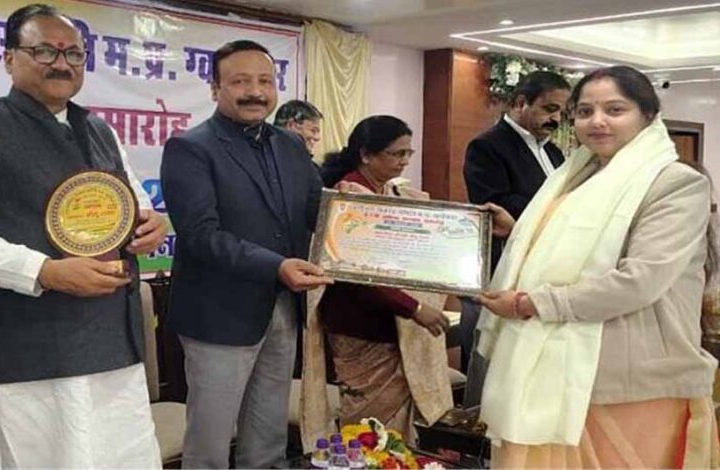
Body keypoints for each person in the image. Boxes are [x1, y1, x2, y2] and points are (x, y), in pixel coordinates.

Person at [0, 4, 166, 468]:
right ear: (9, 58)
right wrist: (44, 271)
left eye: (74, 54)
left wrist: (150, 225)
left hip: (113, 348)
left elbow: (133, 204)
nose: (62, 64)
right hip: (29, 356)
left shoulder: (100, 129)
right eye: (45, 51)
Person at [476, 65, 720, 468]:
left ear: (648, 114)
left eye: (615, 109)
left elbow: (639, 281)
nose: (597, 121)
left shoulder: (675, 183)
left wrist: (528, 304)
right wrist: (520, 231)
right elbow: (575, 252)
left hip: (630, 380)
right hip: (561, 370)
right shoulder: (575, 175)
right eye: (585, 111)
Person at [160, 40, 332, 469]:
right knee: (212, 441)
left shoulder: (291, 146)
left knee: (268, 432)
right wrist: (277, 266)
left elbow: (316, 211)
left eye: (265, 81)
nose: (255, 92)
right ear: (214, 88)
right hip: (218, 313)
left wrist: (350, 208)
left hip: (282, 308)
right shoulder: (190, 148)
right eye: (240, 81)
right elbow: (200, 235)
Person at [304, 116, 513, 443]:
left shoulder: (389, 191)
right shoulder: (349, 195)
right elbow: (357, 272)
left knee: (394, 424)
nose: (404, 161)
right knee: (368, 420)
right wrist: (414, 308)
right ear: (365, 155)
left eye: (408, 153)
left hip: (391, 323)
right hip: (361, 325)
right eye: (396, 153)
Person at [459, 71, 571, 379]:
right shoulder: (488, 146)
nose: (556, 119)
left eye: (562, 112)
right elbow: (495, 205)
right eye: (550, 109)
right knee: (492, 363)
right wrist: (557, 213)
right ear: (521, 102)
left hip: (543, 269)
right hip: (501, 268)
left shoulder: (552, 151)